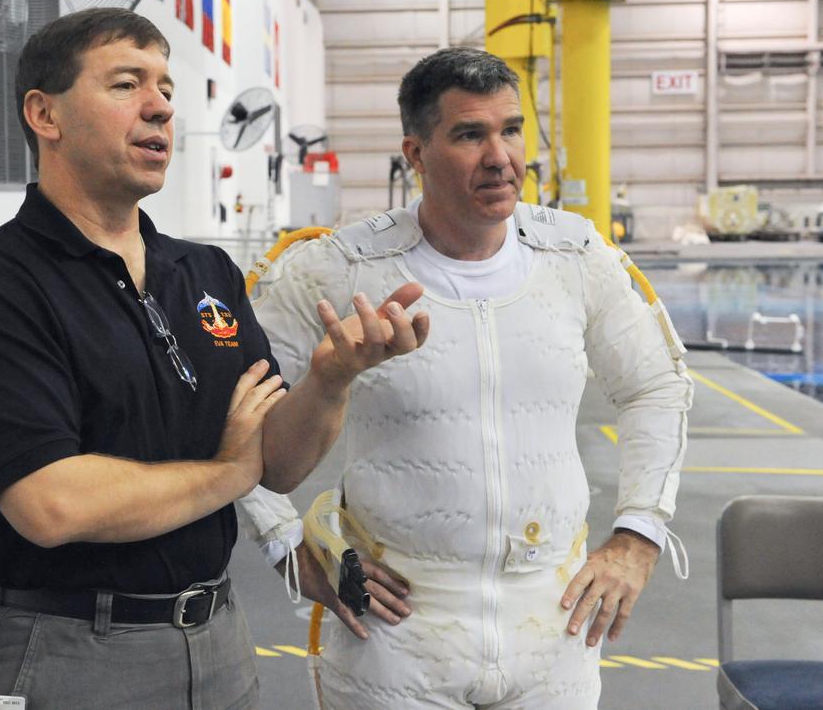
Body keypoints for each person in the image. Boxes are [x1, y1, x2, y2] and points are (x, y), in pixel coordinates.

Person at [0, 8, 429, 709]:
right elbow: (53, 503)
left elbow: (277, 463)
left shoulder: (205, 273)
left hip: (217, 640)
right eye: (126, 84)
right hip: (70, 652)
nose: (160, 106)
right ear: (45, 114)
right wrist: (227, 472)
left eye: (165, 87)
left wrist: (331, 379)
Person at [237, 47, 693, 709]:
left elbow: (657, 386)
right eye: (470, 134)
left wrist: (638, 535)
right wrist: (285, 544)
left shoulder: (577, 256)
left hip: (555, 628)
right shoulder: (337, 269)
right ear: (416, 153)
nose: (500, 157)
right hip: (394, 636)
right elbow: (232, 402)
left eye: (512, 130)